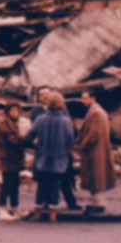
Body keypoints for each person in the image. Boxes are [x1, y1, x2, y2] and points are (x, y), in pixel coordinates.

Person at [24, 90, 74, 222]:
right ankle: (53, 214)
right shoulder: (66, 121)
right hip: (60, 159)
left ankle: (38, 213)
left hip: (42, 158)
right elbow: (71, 140)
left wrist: (37, 147)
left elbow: (28, 138)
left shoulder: (40, 119)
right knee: (55, 186)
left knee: (41, 186)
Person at [34, 87, 81, 211]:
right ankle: (49, 207)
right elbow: (71, 138)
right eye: (42, 95)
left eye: (47, 94)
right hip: (55, 155)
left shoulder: (61, 114)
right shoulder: (37, 111)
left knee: (62, 181)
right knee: (50, 182)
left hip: (52, 154)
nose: (45, 97)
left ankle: (69, 203)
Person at [78, 90, 116, 214]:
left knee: (97, 177)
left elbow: (94, 134)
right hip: (96, 151)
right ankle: (97, 203)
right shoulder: (97, 112)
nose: (82, 101)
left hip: (95, 152)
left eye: (85, 98)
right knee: (95, 177)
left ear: (92, 98)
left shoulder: (96, 113)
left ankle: (100, 204)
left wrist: (83, 145)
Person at [0, 102, 28, 221]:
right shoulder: (4, 123)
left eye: (17, 110)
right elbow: (13, 140)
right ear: (7, 111)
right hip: (7, 158)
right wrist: (27, 138)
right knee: (7, 184)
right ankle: (2, 209)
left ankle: (16, 208)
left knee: (15, 184)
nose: (15, 113)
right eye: (12, 110)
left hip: (14, 158)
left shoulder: (14, 122)